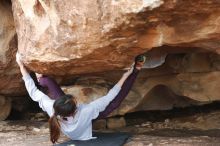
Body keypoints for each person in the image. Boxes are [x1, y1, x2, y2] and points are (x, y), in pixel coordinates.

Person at [16, 52, 146, 144]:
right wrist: (125, 75)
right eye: (75, 101)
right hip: (85, 125)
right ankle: (136, 70)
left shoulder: (52, 108)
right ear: (75, 108)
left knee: (48, 82)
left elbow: (32, 91)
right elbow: (111, 95)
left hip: (71, 124)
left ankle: (42, 79)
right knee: (114, 103)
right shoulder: (87, 111)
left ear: (57, 103)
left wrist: (22, 66)